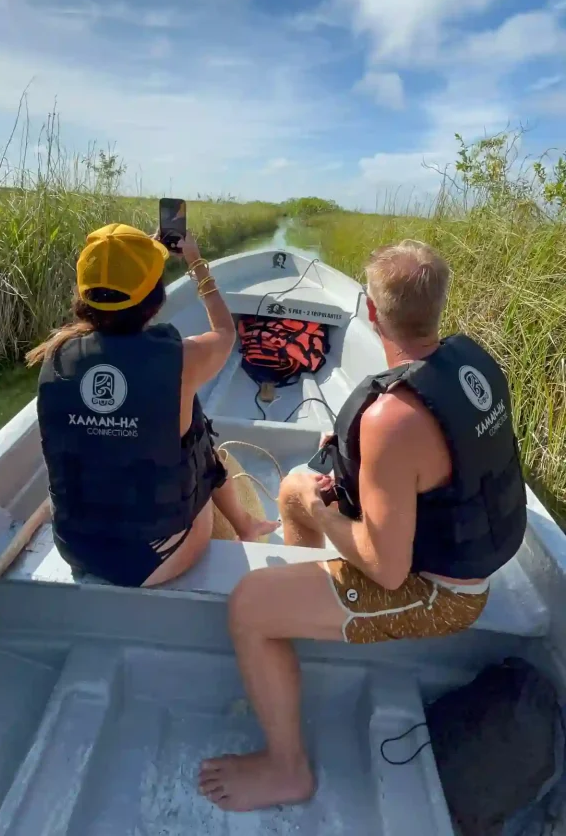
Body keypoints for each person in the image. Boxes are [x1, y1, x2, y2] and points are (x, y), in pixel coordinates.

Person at [199, 239, 527, 812]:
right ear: (440, 307)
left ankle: (288, 768)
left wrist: (331, 512)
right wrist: (338, 475)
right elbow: (439, 467)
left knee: (248, 606)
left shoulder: (392, 419)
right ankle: (304, 607)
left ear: (371, 314)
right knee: (297, 486)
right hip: (446, 536)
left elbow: (387, 567)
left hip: (441, 593)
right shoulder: (471, 362)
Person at [28, 223, 277, 588]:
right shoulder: (183, 359)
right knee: (197, 435)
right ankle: (247, 525)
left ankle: (244, 525)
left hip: (75, 546)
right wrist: (196, 262)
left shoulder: (57, 353)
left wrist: (124, 257)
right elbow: (226, 331)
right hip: (153, 558)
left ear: (83, 295)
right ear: (155, 300)